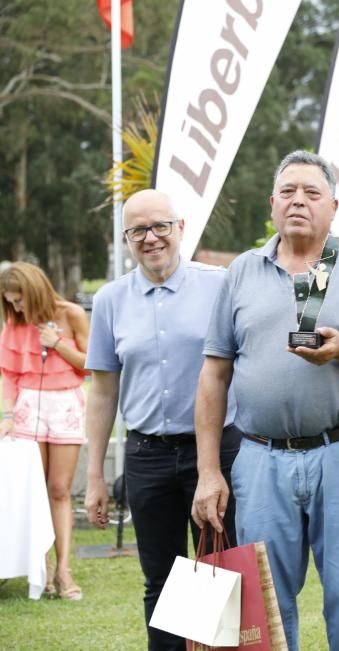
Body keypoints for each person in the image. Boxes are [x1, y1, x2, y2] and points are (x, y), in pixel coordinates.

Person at [191, 150, 339, 651]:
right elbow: (213, 375)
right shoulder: (242, 273)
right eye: (288, 191)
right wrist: (210, 471)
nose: (298, 201)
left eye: (312, 193)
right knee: (263, 602)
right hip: (261, 458)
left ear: (333, 207)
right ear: (272, 204)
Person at [83, 189, 241, 651]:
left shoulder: (219, 285)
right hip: (146, 456)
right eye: (138, 231)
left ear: (180, 229)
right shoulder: (110, 300)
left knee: (217, 573)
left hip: (213, 453)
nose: (150, 238)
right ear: (126, 239)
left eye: (160, 227)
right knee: (162, 580)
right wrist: (96, 474)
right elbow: (103, 391)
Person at [1, 262, 89, 601]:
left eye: (20, 300)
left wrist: (58, 344)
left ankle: (64, 568)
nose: (17, 307)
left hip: (65, 403)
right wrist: (8, 414)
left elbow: (93, 362)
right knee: (34, 491)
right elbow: (9, 374)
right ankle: (43, 568)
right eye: (11, 302)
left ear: (35, 291)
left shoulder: (72, 314)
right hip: (28, 406)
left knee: (59, 489)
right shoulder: (13, 323)